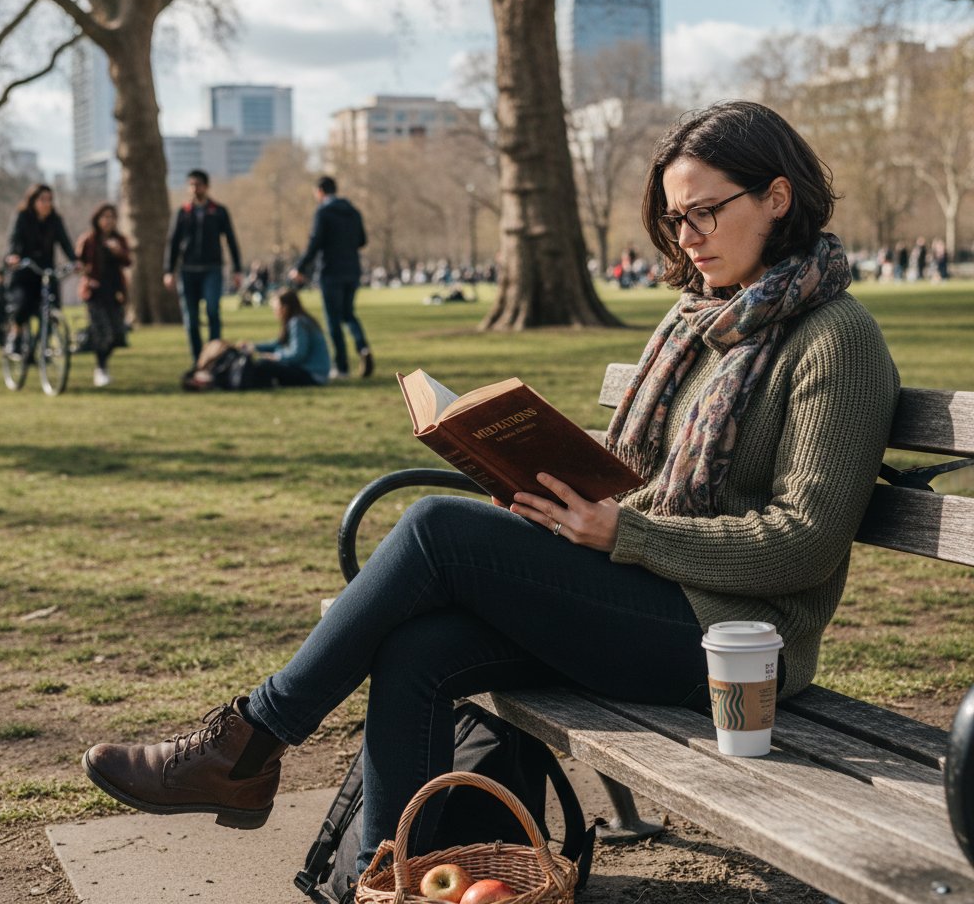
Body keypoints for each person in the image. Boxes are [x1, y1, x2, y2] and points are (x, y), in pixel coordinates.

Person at [82, 101, 899, 879]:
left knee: (437, 526)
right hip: (646, 595)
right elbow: (644, 475)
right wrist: (543, 480)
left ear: (778, 196)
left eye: (704, 213)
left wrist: (625, 535)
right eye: (675, 220)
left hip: (736, 651)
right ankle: (391, 878)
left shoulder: (838, 340)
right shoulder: (697, 321)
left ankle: (247, 742)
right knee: (419, 650)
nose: (687, 240)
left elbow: (806, 539)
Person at [289, 176, 373, 380]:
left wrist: (300, 267)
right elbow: (362, 240)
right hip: (352, 270)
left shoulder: (323, 212)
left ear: (320, 191)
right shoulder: (353, 212)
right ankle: (362, 347)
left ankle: (342, 367)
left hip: (330, 271)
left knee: (333, 321)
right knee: (348, 314)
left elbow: (315, 242)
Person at [164, 169, 242, 361]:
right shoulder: (182, 213)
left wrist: (237, 268)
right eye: (191, 185)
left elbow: (231, 239)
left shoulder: (218, 211)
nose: (194, 189)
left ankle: (214, 357)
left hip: (212, 269)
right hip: (188, 270)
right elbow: (172, 242)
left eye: (197, 185)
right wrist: (168, 270)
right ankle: (198, 360)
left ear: (206, 187)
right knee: (191, 319)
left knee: (212, 311)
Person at [4, 184, 77, 354]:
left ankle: (42, 345)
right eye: (42, 200)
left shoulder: (55, 220)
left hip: (47, 271)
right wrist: (13, 256)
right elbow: (14, 240)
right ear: (33, 201)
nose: (47, 203)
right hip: (24, 271)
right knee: (22, 306)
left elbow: (65, 242)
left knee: (53, 308)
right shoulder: (22, 217)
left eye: (50, 200)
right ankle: (16, 335)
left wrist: (75, 261)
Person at [75, 203, 132, 388]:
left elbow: (128, 261)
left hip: (115, 292)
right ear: (97, 219)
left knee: (117, 334)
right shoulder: (89, 240)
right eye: (105, 217)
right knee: (103, 332)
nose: (108, 221)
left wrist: (118, 251)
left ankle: (89, 343)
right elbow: (78, 263)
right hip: (94, 293)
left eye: (112, 217)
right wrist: (87, 277)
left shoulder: (120, 240)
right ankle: (101, 368)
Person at [239, 287, 331, 388]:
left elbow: (298, 354)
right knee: (264, 364)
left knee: (264, 365)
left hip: (312, 375)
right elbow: (279, 344)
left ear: (285, 308)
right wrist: (254, 346)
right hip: (312, 373)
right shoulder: (299, 320)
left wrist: (276, 357)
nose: (274, 311)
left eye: (276, 307)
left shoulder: (297, 322)